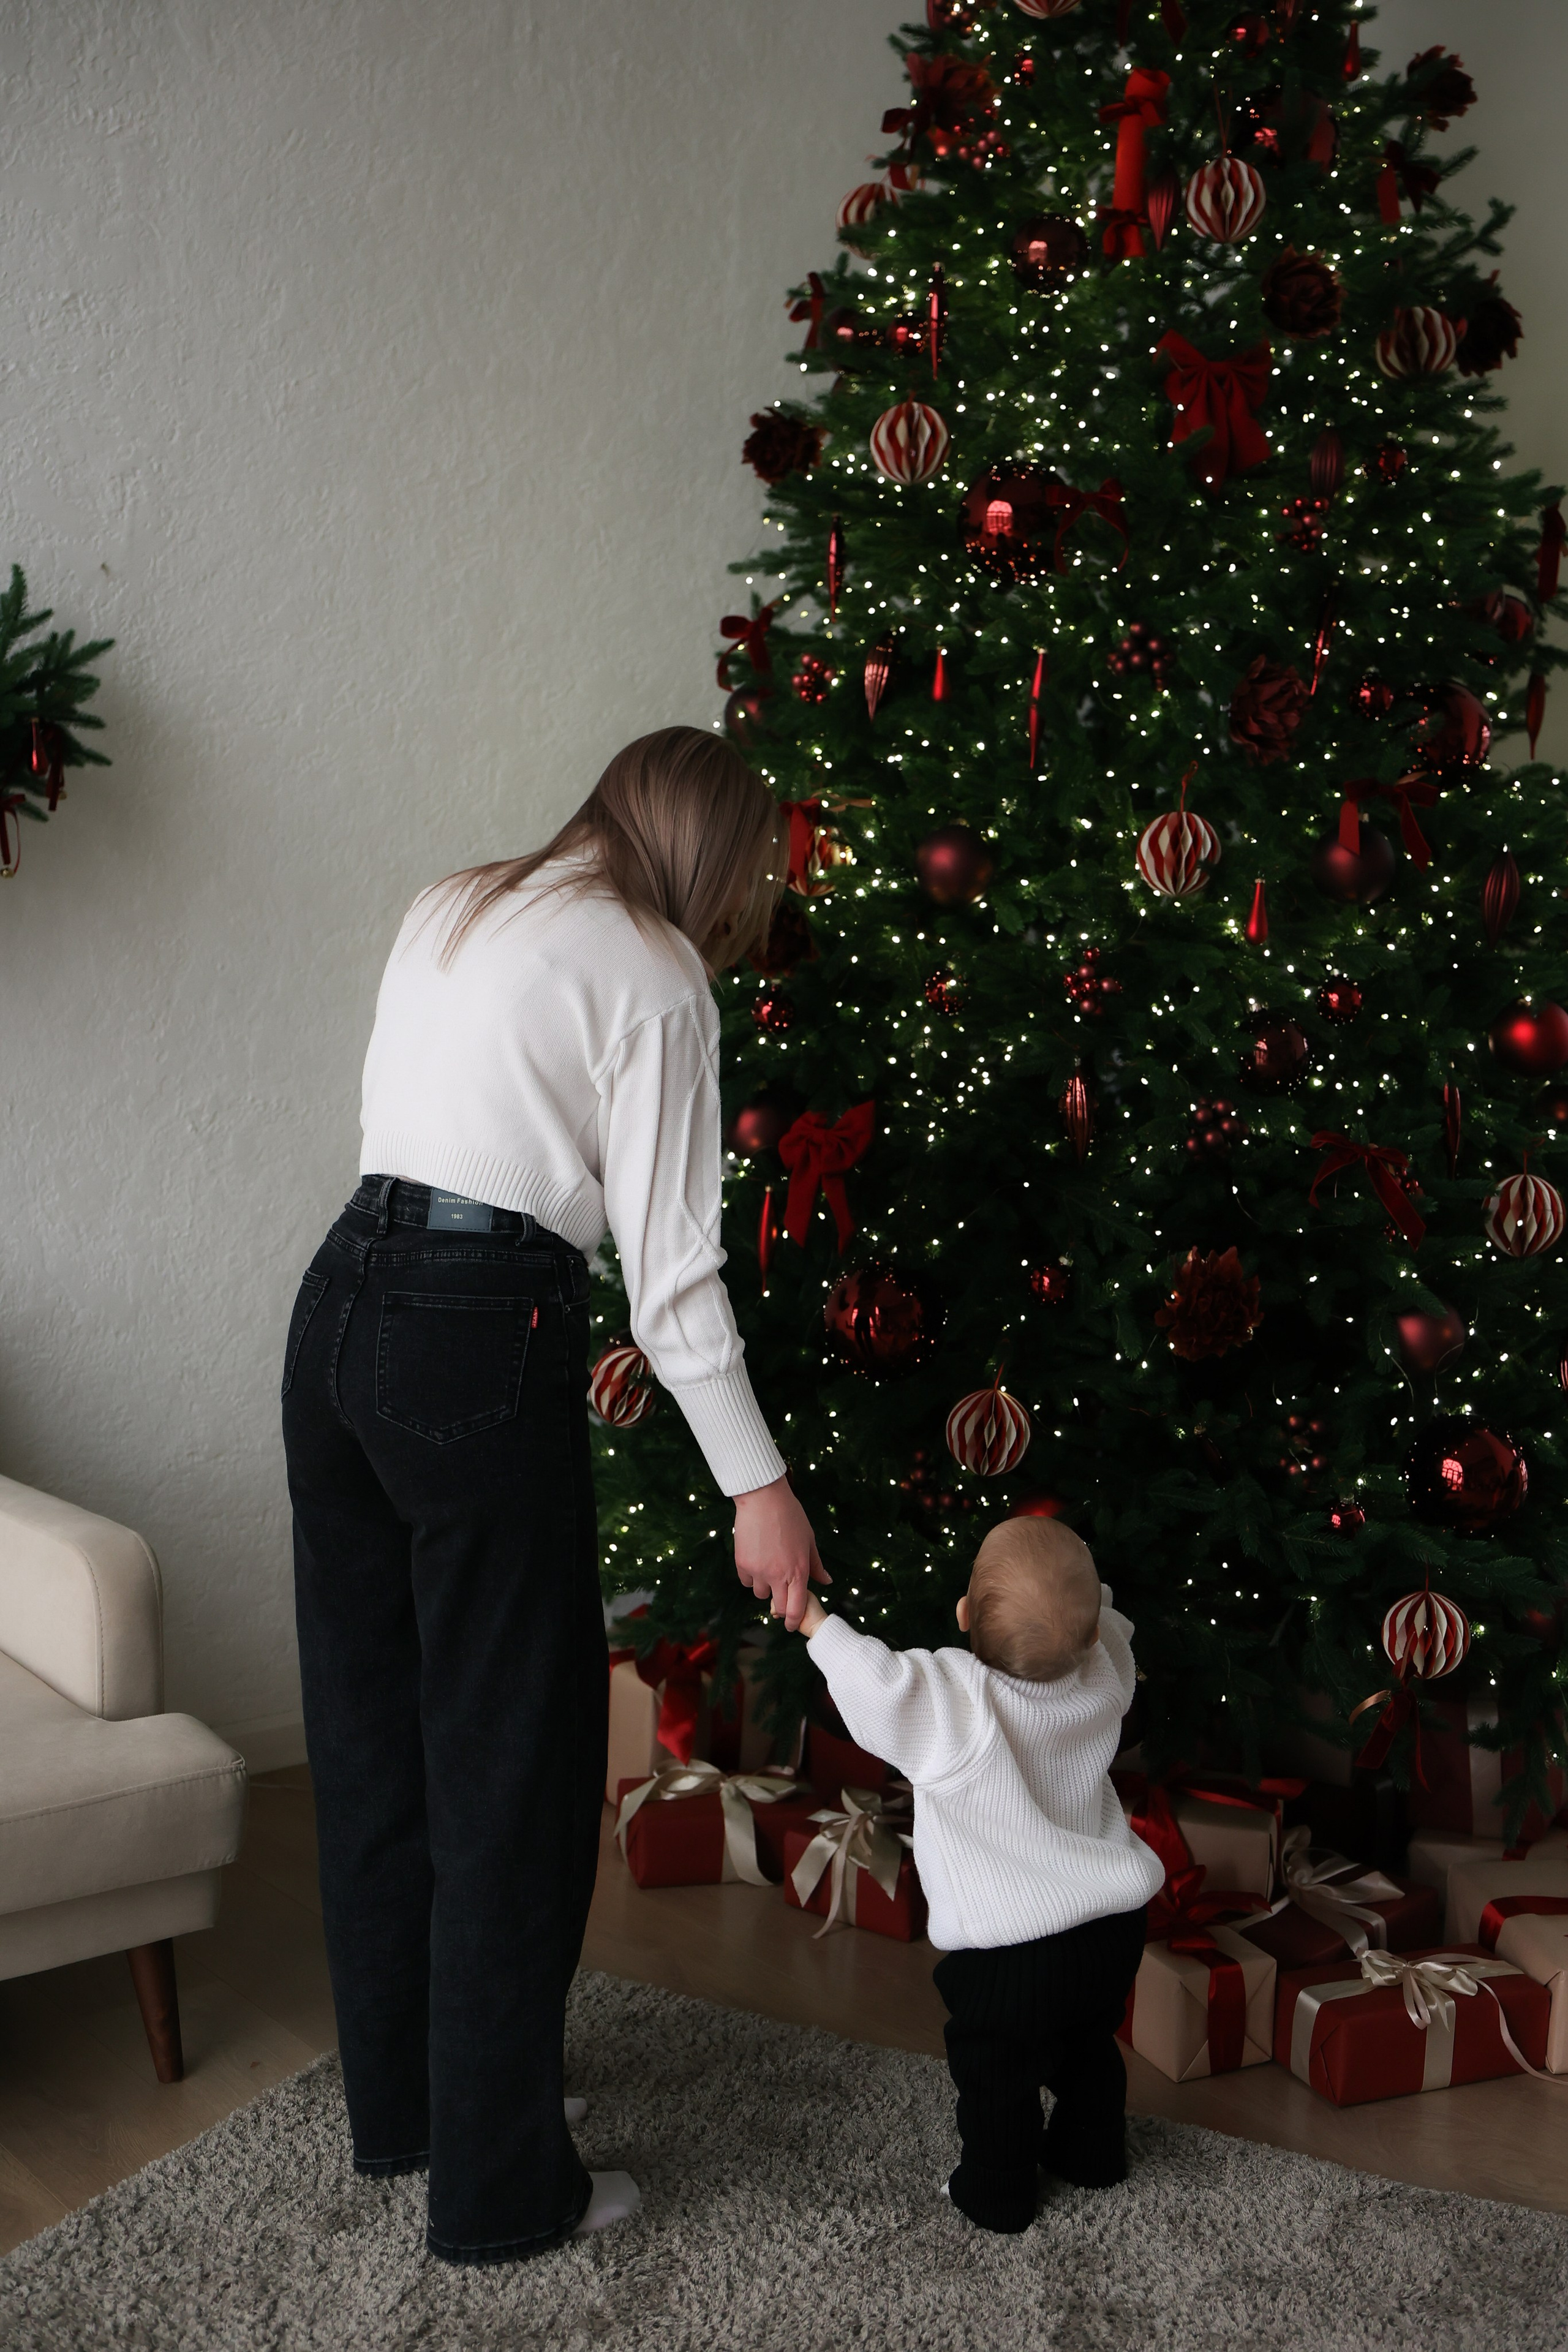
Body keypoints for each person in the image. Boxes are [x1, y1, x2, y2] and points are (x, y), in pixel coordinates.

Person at [281, 726, 828, 2264]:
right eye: (753, 871)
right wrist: (759, 1488)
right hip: (474, 1325)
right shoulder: (655, 975)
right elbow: (671, 1280)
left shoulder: (452, 901)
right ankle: (504, 2188)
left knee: (372, 1735)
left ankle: (407, 2113)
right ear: (712, 856)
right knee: (511, 1769)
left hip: (335, 1306)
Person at [796, 1515, 1161, 2234]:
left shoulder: (951, 1703)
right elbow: (1102, 1617)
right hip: (1112, 1928)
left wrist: (813, 1621)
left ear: (964, 1616)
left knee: (996, 2074)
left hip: (1010, 1953)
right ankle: (1092, 2156)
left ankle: (996, 2192)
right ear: (1091, 1630)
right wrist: (1078, 1591)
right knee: (1088, 2045)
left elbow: (874, 1680)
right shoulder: (1107, 1672)